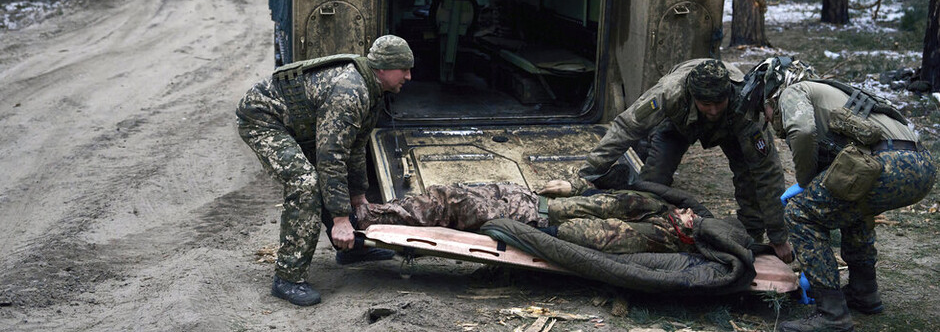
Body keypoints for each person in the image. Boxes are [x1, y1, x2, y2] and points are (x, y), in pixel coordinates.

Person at [736, 57, 937, 332]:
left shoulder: (794, 91)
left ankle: (831, 314)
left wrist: (806, 181)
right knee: (848, 203)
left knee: (799, 213)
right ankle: (864, 292)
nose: (769, 118)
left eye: (767, 111)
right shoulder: (831, 93)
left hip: (886, 164)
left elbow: (803, 131)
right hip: (921, 164)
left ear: (773, 94)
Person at [236, 35, 414, 306]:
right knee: (305, 183)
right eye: (404, 69)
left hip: (299, 124)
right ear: (383, 68)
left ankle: (351, 250)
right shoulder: (350, 91)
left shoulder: (374, 89)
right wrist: (341, 218)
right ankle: (288, 277)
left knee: (329, 180)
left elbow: (355, 148)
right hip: (264, 118)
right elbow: (331, 157)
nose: (409, 76)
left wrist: (358, 196)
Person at [578, 58, 793, 263]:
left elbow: (767, 172)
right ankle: (646, 230)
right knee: (654, 179)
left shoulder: (746, 104)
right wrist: (588, 173)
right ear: (692, 95)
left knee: (749, 179)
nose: (713, 110)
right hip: (678, 124)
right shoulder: (669, 92)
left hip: (731, 126)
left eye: (719, 102)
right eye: (706, 104)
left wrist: (778, 237)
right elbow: (626, 128)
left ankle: (750, 238)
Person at [355, 178, 700, 255]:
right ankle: (374, 213)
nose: (688, 212)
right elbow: (602, 196)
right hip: (532, 199)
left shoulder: (657, 234)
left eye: (692, 219)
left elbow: (595, 237)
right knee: (452, 191)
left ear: (687, 233)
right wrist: (572, 184)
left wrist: (545, 232)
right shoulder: (656, 206)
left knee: (450, 202)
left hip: (534, 217)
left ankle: (366, 218)